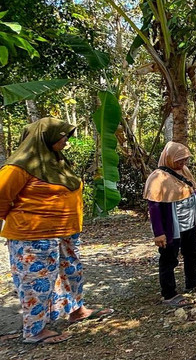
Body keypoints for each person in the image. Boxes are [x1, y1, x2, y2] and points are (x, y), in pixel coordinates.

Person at [0, 117, 113, 345]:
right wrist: (29, 218)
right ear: (46, 137)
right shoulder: (18, 166)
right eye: (63, 136)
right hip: (33, 236)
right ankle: (34, 331)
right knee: (36, 282)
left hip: (65, 233)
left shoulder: (57, 162)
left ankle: (76, 310)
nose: (66, 141)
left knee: (71, 273)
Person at [143, 141, 196, 307]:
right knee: (169, 259)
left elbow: (193, 193)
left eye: (185, 160)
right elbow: (154, 206)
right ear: (169, 158)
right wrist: (159, 233)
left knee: (193, 253)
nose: (183, 163)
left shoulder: (184, 171)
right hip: (171, 227)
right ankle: (169, 293)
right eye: (179, 160)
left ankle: (192, 282)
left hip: (188, 224)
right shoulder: (157, 178)